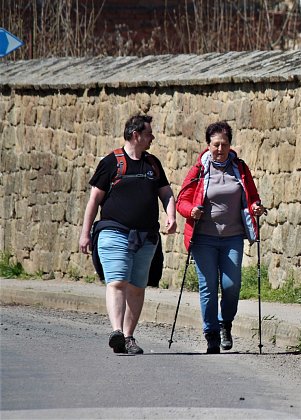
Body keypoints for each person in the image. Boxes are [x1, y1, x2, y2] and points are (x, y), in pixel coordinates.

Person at [79, 114, 177, 354]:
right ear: (136, 135)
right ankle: (117, 332)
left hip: (146, 236)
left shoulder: (153, 164)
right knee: (118, 282)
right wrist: (85, 233)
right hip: (114, 232)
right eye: (149, 133)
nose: (152, 137)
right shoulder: (111, 163)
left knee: (137, 286)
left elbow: (166, 193)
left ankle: (129, 336)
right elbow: (94, 199)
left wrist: (171, 215)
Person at [176, 121, 265, 354]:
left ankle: (226, 323)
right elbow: (182, 201)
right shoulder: (199, 170)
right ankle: (212, 334)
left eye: (224, 144)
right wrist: (191, 211)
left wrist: (256, 207)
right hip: (203, 238)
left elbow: (252, 196)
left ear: (230, 145)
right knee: (208, 287)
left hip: (232, 237)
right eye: (215, 144)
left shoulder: (240, 168)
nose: (219, 149)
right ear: (208, 145)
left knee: (231, 285)